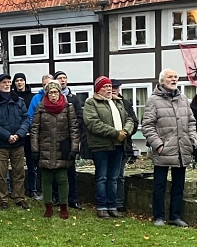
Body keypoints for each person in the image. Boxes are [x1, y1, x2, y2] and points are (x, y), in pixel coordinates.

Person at [142, 69, 196, 228]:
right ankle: (158, 217)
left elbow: (191, 122)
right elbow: (147, 126)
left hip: (182, 148)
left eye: (175, 77)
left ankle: (175, 216)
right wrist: (158, 144)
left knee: (179, 185)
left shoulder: (183, 99)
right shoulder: (153, 100)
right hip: (164, 149)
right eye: (170, 77)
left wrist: (192, 139)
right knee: (159, 186)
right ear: (162, 81)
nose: (173, 80)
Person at [83, 77, 134, 218]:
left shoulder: (118, 102)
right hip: (101, 146)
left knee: (114, 177)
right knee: (102, 177)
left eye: (110, 86)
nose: (109, 89)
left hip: (119, 145)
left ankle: (113, 206)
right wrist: (115, 133)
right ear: (98, 89)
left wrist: (125, 132)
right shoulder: (91, 103)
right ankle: (102, 206)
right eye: (105, 86)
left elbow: (129, 119)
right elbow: (93, 123)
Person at [31, 81, 79, 219]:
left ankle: (64, 207)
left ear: (60, 93)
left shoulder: (68, 107)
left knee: (62, 178)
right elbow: (34, 129)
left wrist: (74, 148)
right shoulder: (41, 107)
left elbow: (74, 129)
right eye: (50, 92)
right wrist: (35, 150)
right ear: (47, 94)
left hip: (62, 146)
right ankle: (49, 207)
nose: (53, 95)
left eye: (55, 92)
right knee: (46, 179)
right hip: (45, 146)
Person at [0, 73, 31, 210]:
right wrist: (7, 136)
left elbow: (26, 119)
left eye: (8, 82)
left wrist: (18, 134)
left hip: (18, 143)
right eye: (4, 82)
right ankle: (3, 199)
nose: (7, 84)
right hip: (1, 144)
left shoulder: (19, 100)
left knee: (19, 172)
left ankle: (19, 197)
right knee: (1, 173)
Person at [53, 70, 84, 209]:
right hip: (54, 140)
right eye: (60, 78)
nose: (63, 80)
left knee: (71, 170)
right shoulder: (50, 99)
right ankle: (57, 197)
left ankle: (72, 199)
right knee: (55, 170)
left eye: (65, 78)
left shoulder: (74, 99)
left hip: (69, 139)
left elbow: (79, 118)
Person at [111, 80, 138, 212]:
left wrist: (125, 133)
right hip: (106, 144)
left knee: (120, 176)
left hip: (123, 144)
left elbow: (134, 121)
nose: (114, 90)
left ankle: (119, 203)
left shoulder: (125, 104)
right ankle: (107, 203)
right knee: (106, 175)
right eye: (111, 87)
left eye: (116, 88)